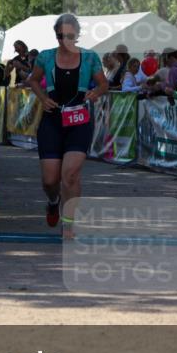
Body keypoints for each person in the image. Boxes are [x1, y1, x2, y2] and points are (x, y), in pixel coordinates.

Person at [27, 14, 108, 232]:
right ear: (56, 36)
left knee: (70, 174)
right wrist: (43, 99)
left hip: (79, 120)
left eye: (70, 36)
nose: (66, 40)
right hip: (52, 120)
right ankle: (53, 202)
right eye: (61, 36)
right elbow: (32, 79)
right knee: (50, 180)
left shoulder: (90, 58)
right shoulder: (45, 57)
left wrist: (94, 93)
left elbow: (103, 84)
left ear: (77, 35)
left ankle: (69, 225)